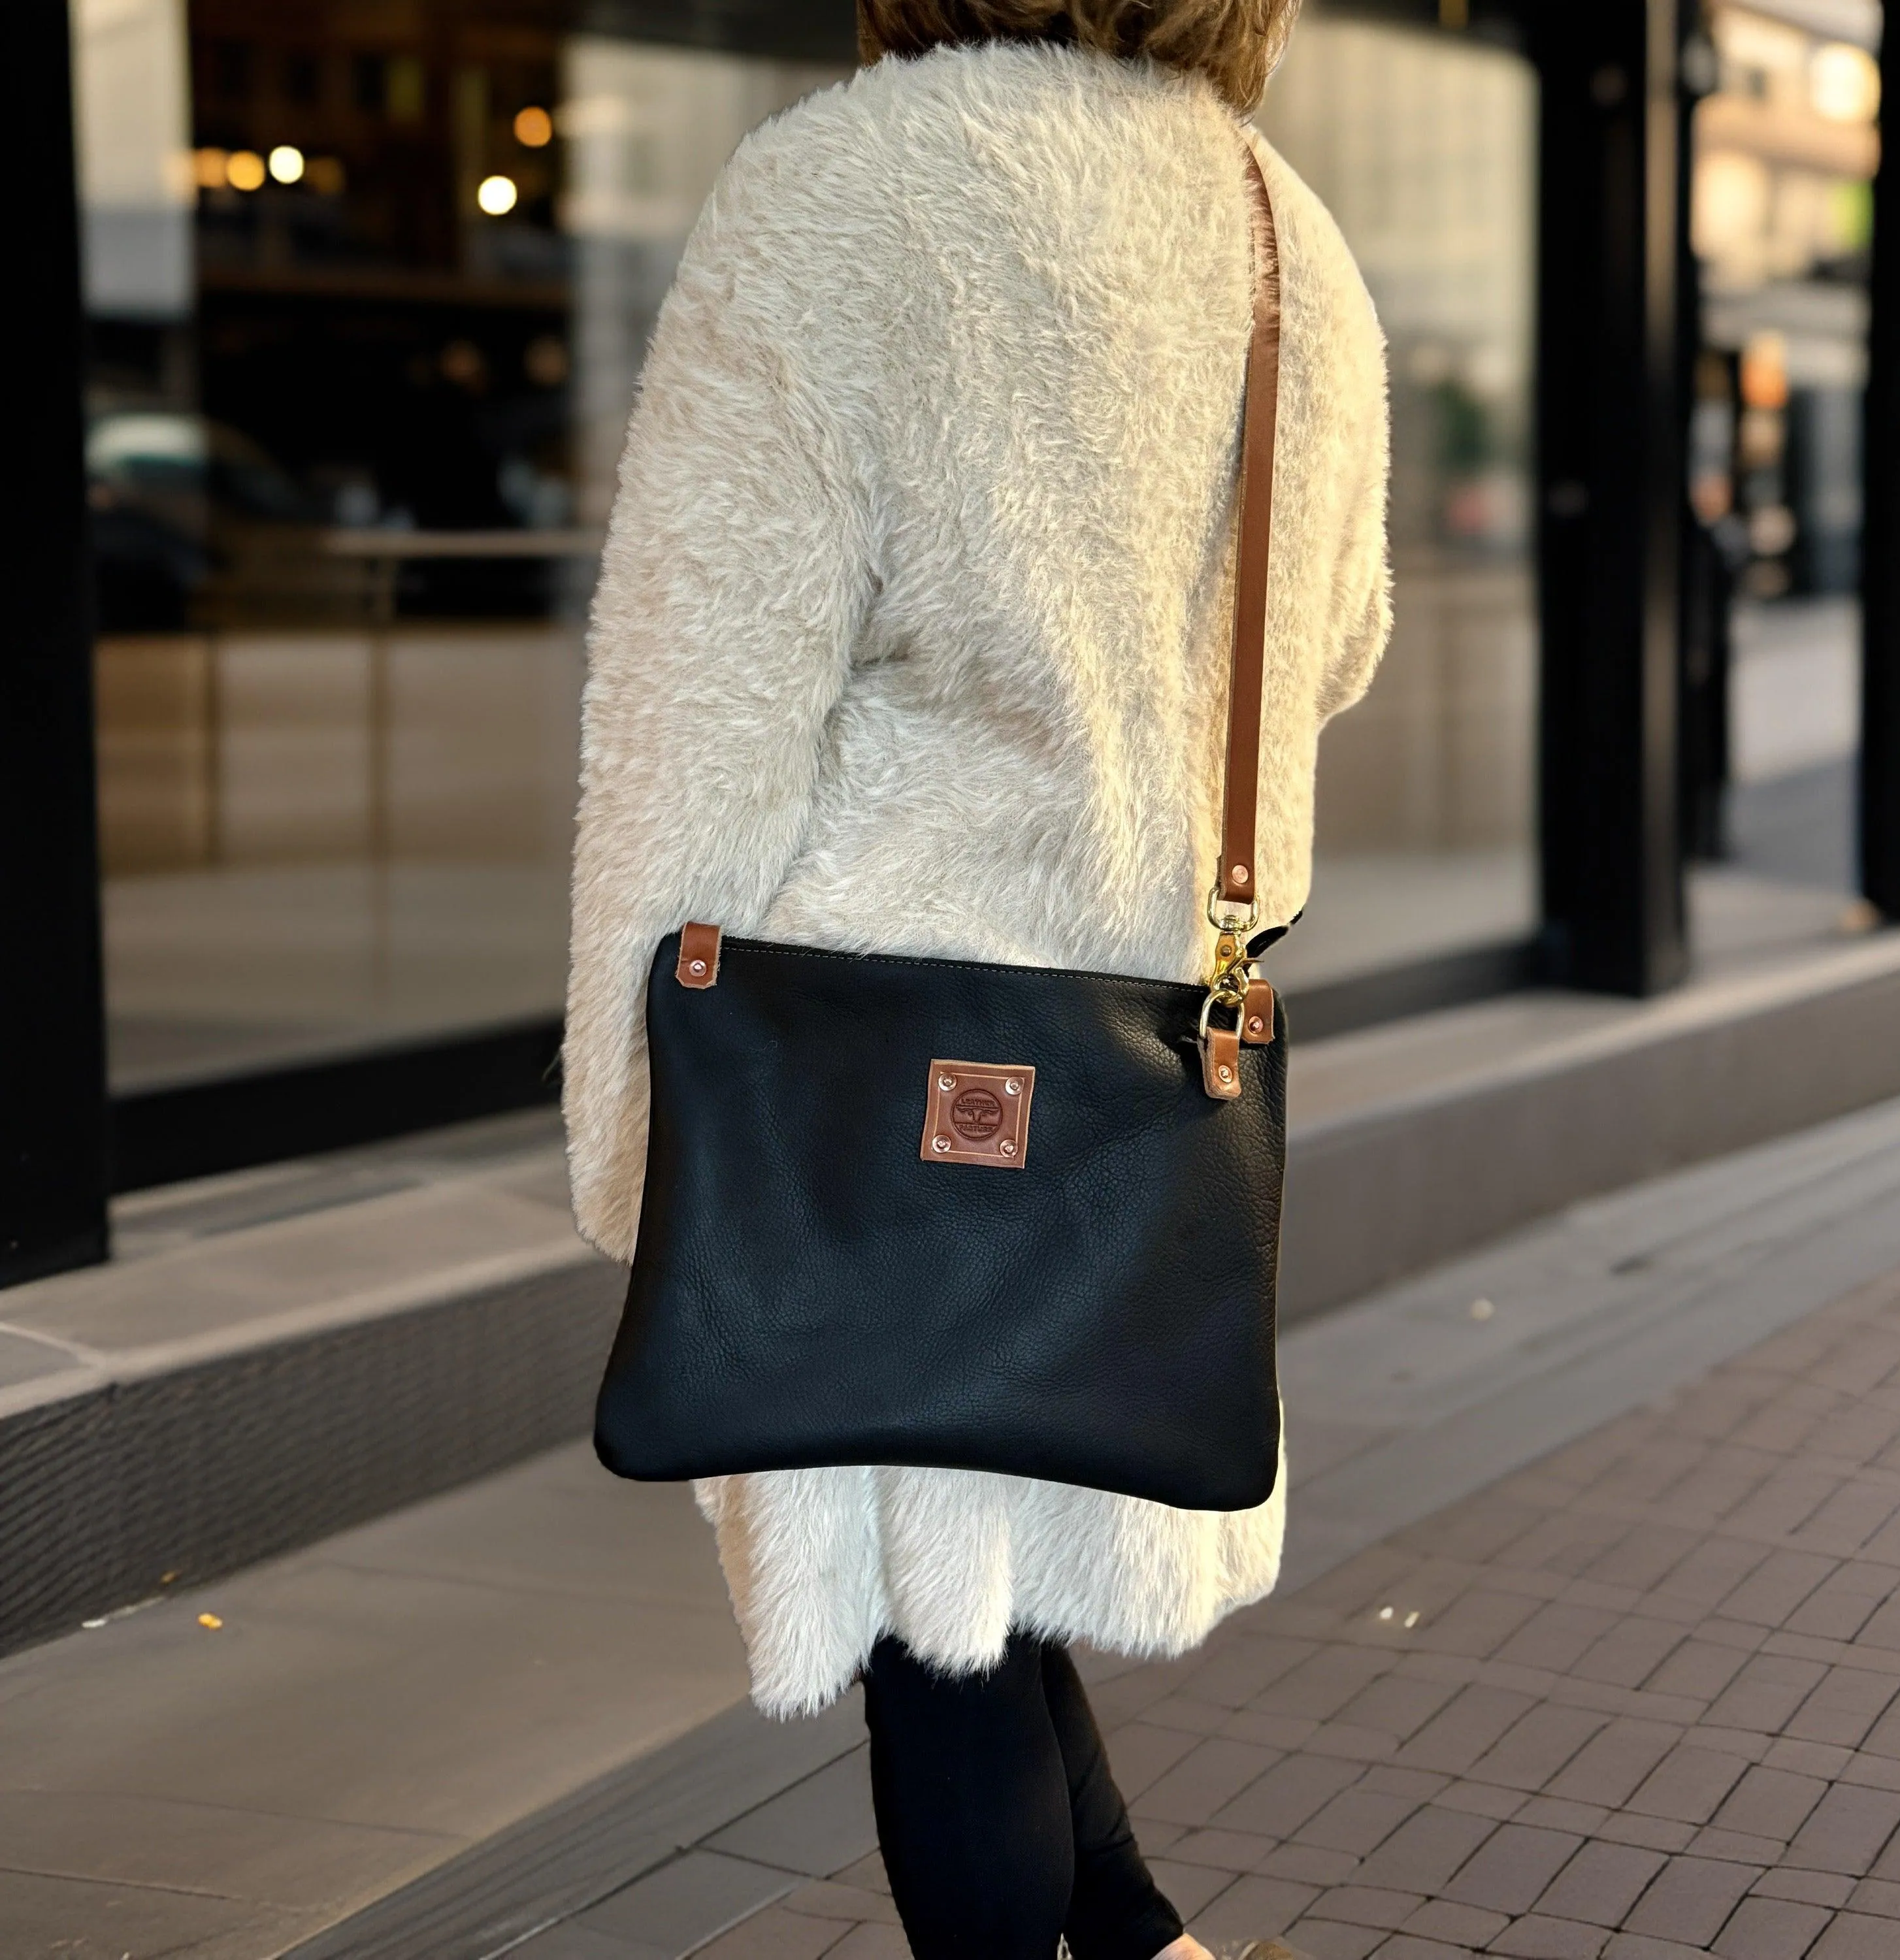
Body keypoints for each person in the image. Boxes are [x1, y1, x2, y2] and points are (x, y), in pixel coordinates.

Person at [563, 3, 1390, 1953]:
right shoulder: (1293, 243)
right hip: (1121, 1103)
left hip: (865, 1088)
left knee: (938, 1652)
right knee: (979, 1601)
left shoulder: (846, 197)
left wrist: (634, 1140)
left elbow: (695, 722)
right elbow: (1329, 653)